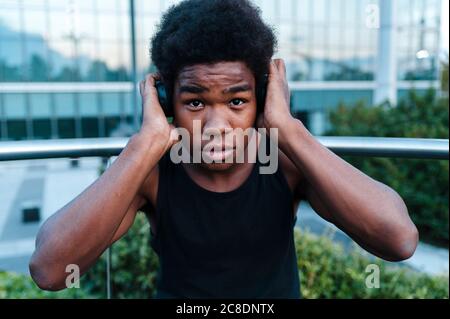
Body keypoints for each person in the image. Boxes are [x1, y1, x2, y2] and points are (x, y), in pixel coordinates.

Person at [29, 0, 418, 298]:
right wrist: (144, 144)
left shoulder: (286, 162)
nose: (217, 127)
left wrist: (289, 129)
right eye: (196, 103)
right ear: (167, 102)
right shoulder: (151, 171)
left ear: (261, 99)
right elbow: (50, 271)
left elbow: (398, 240)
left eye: (236, 102)